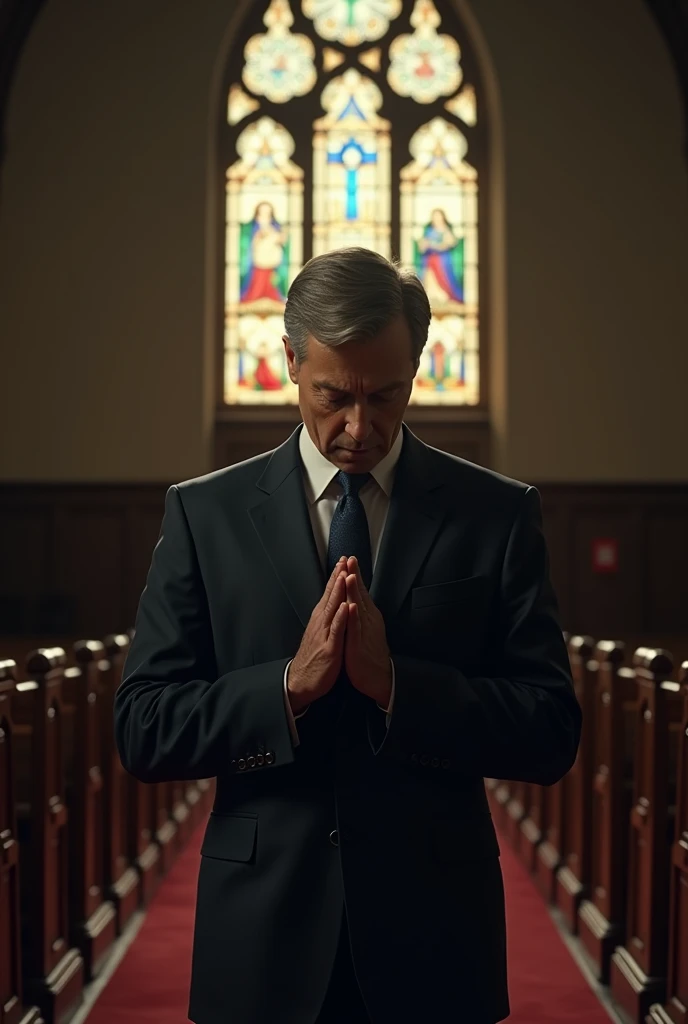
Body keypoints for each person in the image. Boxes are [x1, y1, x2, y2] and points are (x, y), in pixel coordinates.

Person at [114, 246, 581, 1024]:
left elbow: (551, 731)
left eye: (386, 395)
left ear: (419, 364)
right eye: (333, 394)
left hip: (436, 936)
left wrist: (398, 687)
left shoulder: (495, 515)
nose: (359, 426)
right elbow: (143, 728)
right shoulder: (206, 515)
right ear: (291, 360)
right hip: (260, 936)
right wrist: (286, 689)